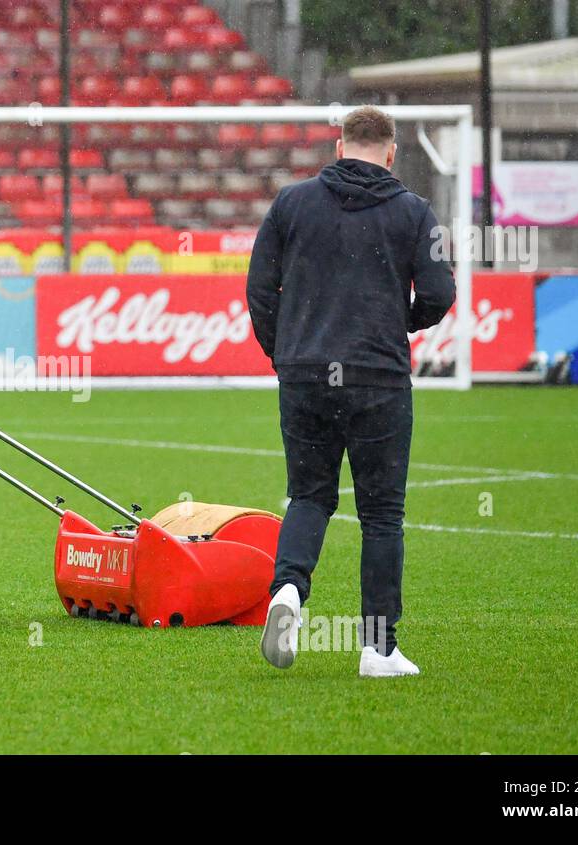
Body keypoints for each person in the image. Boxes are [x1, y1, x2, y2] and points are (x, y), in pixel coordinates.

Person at [246, 106, 455, 677]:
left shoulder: (292, 202)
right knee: (382, 513)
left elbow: (259, 286)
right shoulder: (414, 212)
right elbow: (439, 292)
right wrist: (399, 321)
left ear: (339, 148)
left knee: (309, 495)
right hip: (378, 377)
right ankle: (377, 650)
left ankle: (288, 592)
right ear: (391, 154)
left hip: (306, 374)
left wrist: (283, 350)